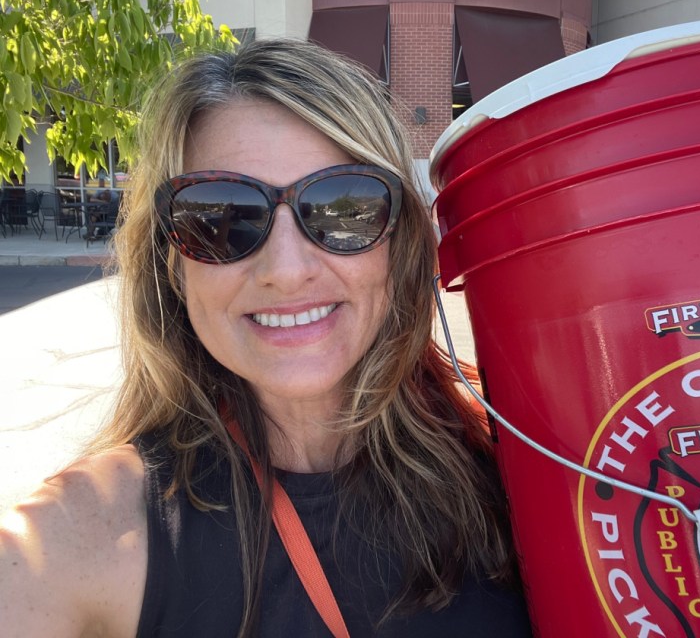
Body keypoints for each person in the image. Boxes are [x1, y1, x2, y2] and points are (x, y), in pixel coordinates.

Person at [0, 40, 533, 637]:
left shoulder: (522, 460)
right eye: (223, 216)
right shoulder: (87, 533)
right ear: (172, 265)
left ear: (400, 242)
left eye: (343, 207)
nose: (286, 268)